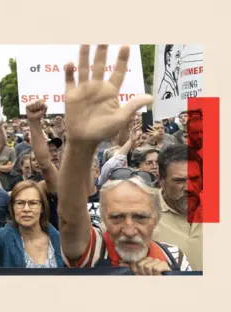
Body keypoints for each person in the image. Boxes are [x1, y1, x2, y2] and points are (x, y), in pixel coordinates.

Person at [58, 44, 190, 275]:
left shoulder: (174, 256)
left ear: (157, 219)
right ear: (103, 220)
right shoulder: (94, 250)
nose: (129, 229)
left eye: (140, 216)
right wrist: (80, 144)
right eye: (117, 217)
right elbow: (69, 216)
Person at [0, 144, 64, 268]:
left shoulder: (59, 240)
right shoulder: (3, 239)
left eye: (32, 203)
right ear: (12, 208)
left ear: (42, 207)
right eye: (20, 203)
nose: (26, 209)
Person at [154, 145, 203, 270]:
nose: (189, 188)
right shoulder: (143, 213)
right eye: (179, 181)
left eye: (194, 179)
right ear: (161, 181)